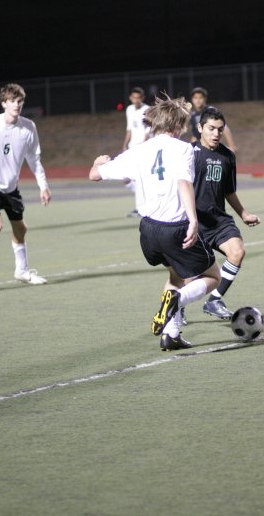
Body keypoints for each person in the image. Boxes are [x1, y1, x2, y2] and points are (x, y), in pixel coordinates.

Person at [89, 94, 221, 351]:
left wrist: (97, 163)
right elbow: (184, 182)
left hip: (148, 230)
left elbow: (94, 175)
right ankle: (178, 299)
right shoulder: (184, 148)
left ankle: (170, 335)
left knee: (175, 273)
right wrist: (193, 220)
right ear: (179, 125)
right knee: (212, 275)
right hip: (175, 228)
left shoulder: (137, 151)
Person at [189, 106, 260, 320]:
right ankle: (178, 310)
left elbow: (229, 191)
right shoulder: (188, 153)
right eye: (211, 128)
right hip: (193, 222)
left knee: (237, 252)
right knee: (188, 272)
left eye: (220, 129)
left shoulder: (227, 156)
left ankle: (214, 301)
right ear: (200, 128)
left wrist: (244, 213)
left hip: (219, 220)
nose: (216, 134)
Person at [0, 83, 51, 294]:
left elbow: (34, 159)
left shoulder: (28, 127)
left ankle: (21, 271)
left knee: (21, 229)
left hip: (11, 187)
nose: (17, 105)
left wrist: (43, 186)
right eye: (12, 101)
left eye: (20, 101)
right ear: (3, 103)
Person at [122, 87, 150, 217]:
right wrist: (124, 145)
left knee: (140, 177)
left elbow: (148, 132)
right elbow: (130, 129)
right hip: (132, 148)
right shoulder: (129, 109)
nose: (136, 100)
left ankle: (141, 208)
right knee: (127, 178)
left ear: (142, 98)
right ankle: (142, 205)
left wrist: (143, 146)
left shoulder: (147, 110)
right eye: (134, 97)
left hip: (143, 149)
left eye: (138, 98)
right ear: (130, 98)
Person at [189, 87, 237, 152]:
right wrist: (191, 149)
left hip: (212, 148)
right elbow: (195, 135)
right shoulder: (193, 115)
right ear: (192, 99)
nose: (198, 100)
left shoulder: (211, 110)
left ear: (205, 99)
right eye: (195, 98)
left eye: (200, 97)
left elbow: (225, 128)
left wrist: (232, 146)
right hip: (201, 149)